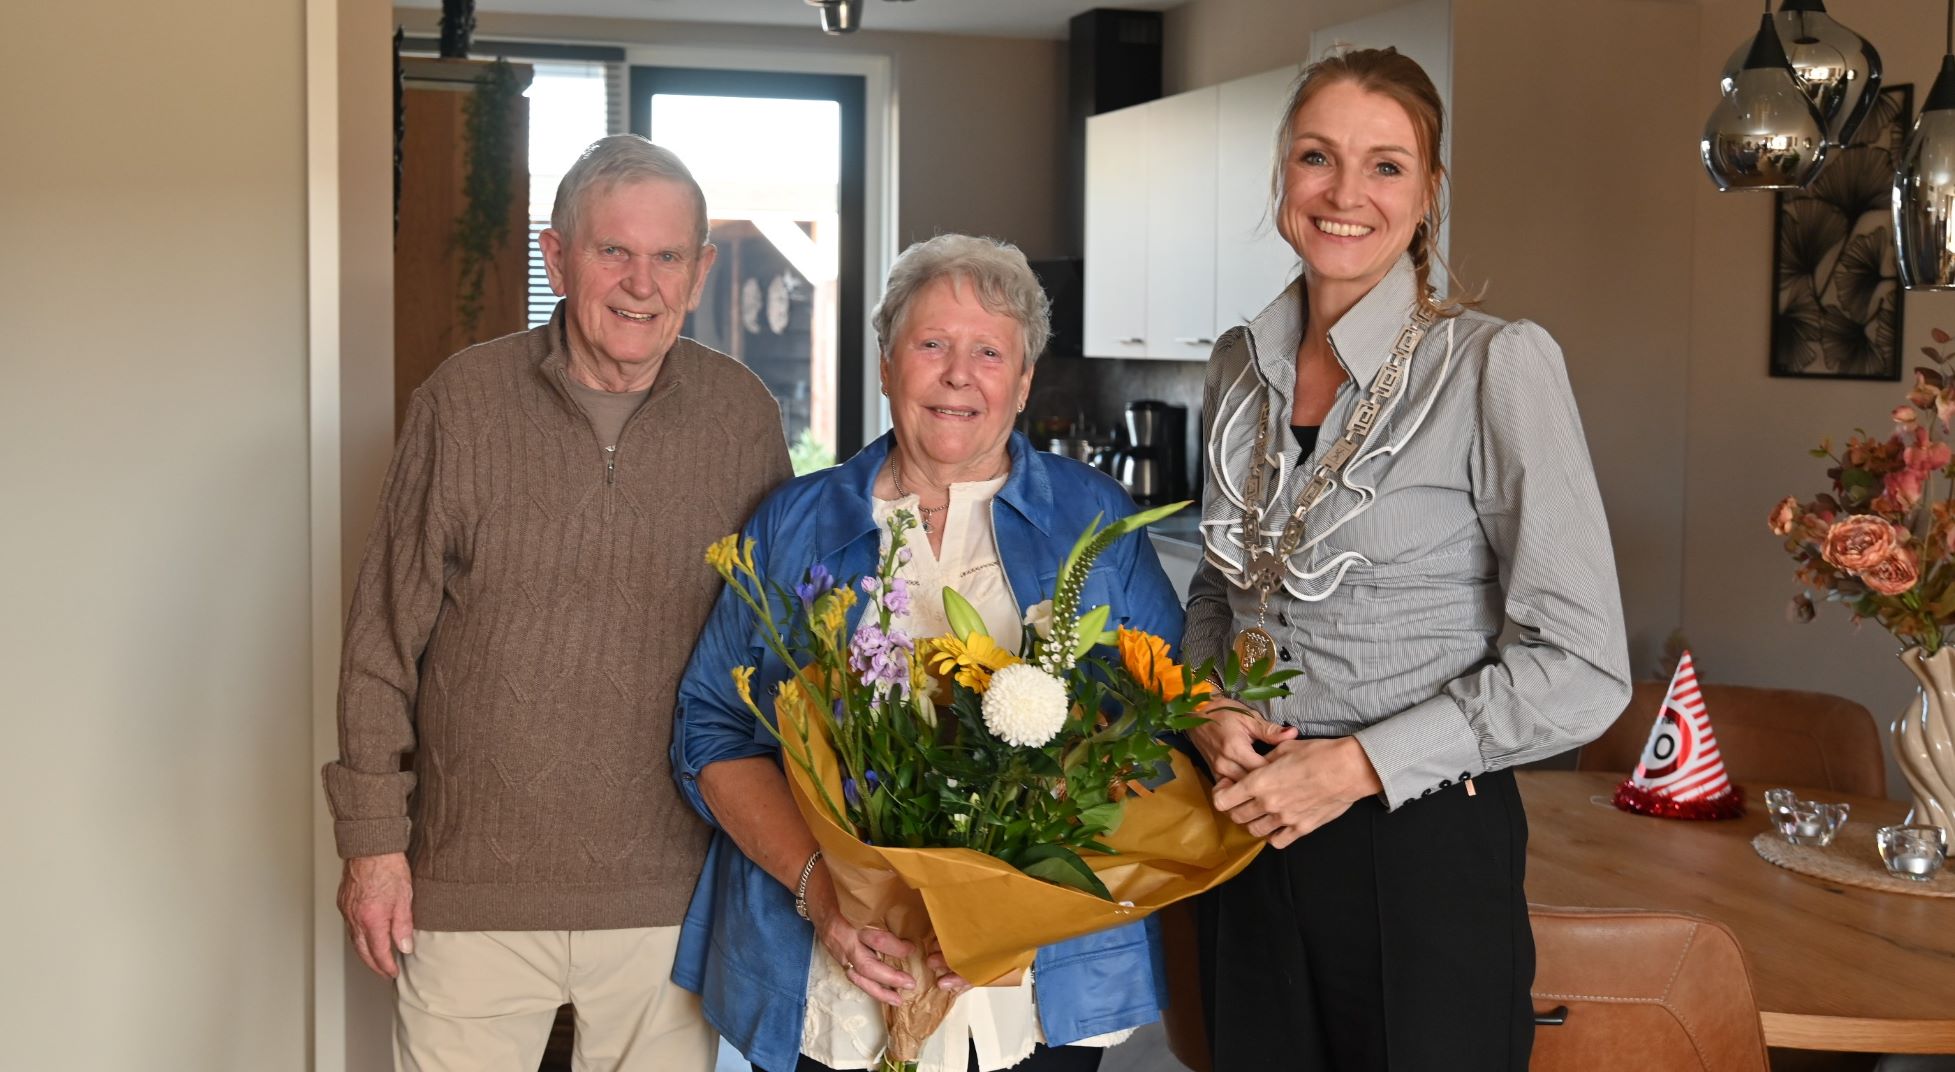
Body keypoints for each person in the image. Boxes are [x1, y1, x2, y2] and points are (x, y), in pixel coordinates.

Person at [1182, 48, 1632, 1069]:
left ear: (1426, 194)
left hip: (1418, 846)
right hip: (1244, 832)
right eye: (1316, 157)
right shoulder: (1235, 366)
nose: (1345, 194)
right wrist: (1208, 701)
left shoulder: (1494, 364)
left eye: (1384, 166)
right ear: (1281, 177)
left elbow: (1583, 664)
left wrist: (1351, 768)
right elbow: (1219, 582)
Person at [321, 135, 792, 1071]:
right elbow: (381, 643)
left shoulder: (742, 417)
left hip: (674, 894)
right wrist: (373, 847)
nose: (639, 283)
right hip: (468, 893)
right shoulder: (461, 403)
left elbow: (778, 652)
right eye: (613, 250)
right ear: (557, 257)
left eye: (666, 257)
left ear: (699, 272)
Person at [670, 234, 1183, 1072]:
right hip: (834, 989)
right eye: (931, 344)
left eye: (989, 352)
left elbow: (1159, 730)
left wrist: (1028, 908)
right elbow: (712, 732)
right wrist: (825, 893)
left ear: (1021, 382)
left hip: (1035, 994)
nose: (957, 374)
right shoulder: (792, 525)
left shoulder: (1092, 519)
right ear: (884, 364)